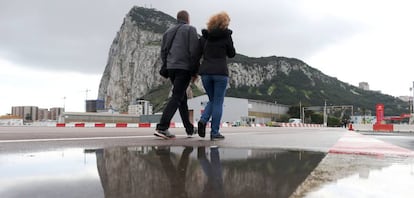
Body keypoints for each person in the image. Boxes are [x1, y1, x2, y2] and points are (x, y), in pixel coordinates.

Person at [155, 10, 200, 139]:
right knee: (177, 97)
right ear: (188, 19)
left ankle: (189, 129)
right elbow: (194, 51)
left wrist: (168, 64)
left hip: (171, 68)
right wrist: (195, 71)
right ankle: (162, 127)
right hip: (183, 68)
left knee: (182, 98)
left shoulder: (168, 32)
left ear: (177, 18)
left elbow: (163, 52)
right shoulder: (190, 29)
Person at [197, 11, 236, 140]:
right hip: (220, 73)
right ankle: (214, 132)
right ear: (224, 23)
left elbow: (197, 54)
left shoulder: (204, 37)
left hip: (206, 73)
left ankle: (203, 121)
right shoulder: (226, 36)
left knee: (212, 100)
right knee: (218, 102)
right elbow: (231, 53)